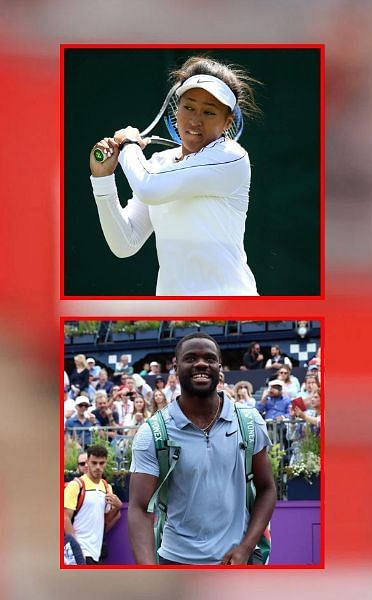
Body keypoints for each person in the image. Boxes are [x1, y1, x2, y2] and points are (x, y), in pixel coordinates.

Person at [88, 55, 261, 296]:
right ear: (176, 109)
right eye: (188, 107)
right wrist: (103, 180)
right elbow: (125, 243)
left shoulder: (232, 157)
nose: (194, 120)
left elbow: (148, 186)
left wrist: (128, 144)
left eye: (209, 112)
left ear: (227, 122)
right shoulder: (159, 163)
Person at [127, 332, 275, 565]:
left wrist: (246, 547)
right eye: (191, 358)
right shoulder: (153, 433)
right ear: (176, 369)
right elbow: (138, 507)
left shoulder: (249, 422)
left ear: (219, 367)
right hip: (176, 562)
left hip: (236, 562)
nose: (201, 364)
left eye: (209, 358)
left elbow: (267, 489)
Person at [63, 445, 123, 565]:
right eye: (94, 463)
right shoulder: (75, 485)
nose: (98, 467)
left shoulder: (107, 487)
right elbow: (64, 518)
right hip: (80, 552)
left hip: (97, 552)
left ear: (106, 463)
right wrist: (76, 549)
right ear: (87, 462)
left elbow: (106, 520)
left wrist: (117, 507)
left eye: (102, 463)